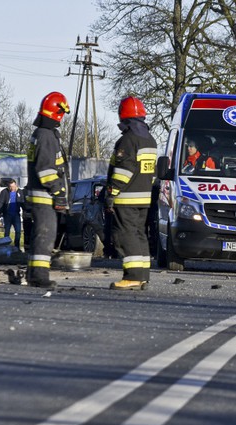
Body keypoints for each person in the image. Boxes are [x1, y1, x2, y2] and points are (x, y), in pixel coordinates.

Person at [105, 95, 158, 290]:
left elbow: (123, 171)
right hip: (144, 198)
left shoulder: (128, 140)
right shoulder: (149, 139)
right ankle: (143, 275)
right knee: (139, 234)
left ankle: (133, 276)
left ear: (123, 115)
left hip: (126, 198)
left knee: (125, 235)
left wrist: (111, 193)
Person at [25, 91, 71, 290]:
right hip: (45, 196)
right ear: (57, 112)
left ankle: (34, 273)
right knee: (45, 235)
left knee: (41, 235)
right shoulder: (46, 136)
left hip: (42, 196)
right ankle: (39, 276)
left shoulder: (43, 134)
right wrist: (58, 191)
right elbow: (45, 170)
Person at [0, 179, 25, 249]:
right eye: (10, 187)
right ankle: (6, 245)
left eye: (13, 186)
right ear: (8, 187)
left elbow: (22, 202)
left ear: (16, 185)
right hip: (7, 214)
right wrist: (0, 212)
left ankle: (17, 246)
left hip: (16, 214)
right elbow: (0, 202)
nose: (12, 188)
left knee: (18, 231)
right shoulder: (4, 192)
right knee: (7, 231)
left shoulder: (20, 192)